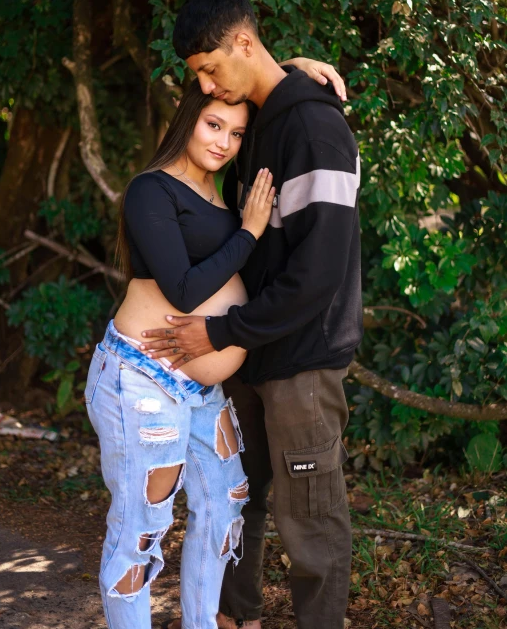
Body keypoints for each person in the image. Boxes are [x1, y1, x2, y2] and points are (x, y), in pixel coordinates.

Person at [85, 54, 346, 629]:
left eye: (236, 132)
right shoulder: (151, 190)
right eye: (212, 126)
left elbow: (251, 67)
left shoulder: (221, 186)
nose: (226, 142)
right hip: (141, 376)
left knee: (227, 505)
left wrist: (297, 68)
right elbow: (182, 290)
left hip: (202, 387)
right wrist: (250, 232)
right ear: (187, 118)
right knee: (141, 529)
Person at [141, 0, 363, 629]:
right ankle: (235, 618)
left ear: (243, 43)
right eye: (198, 76)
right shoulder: (264, 118)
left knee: (311, 524)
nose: (208, 87)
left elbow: (317, 276)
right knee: (237, 502)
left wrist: (221, 331)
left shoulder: (316, 131)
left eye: (212, 68)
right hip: (252, 353)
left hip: (301, 360)